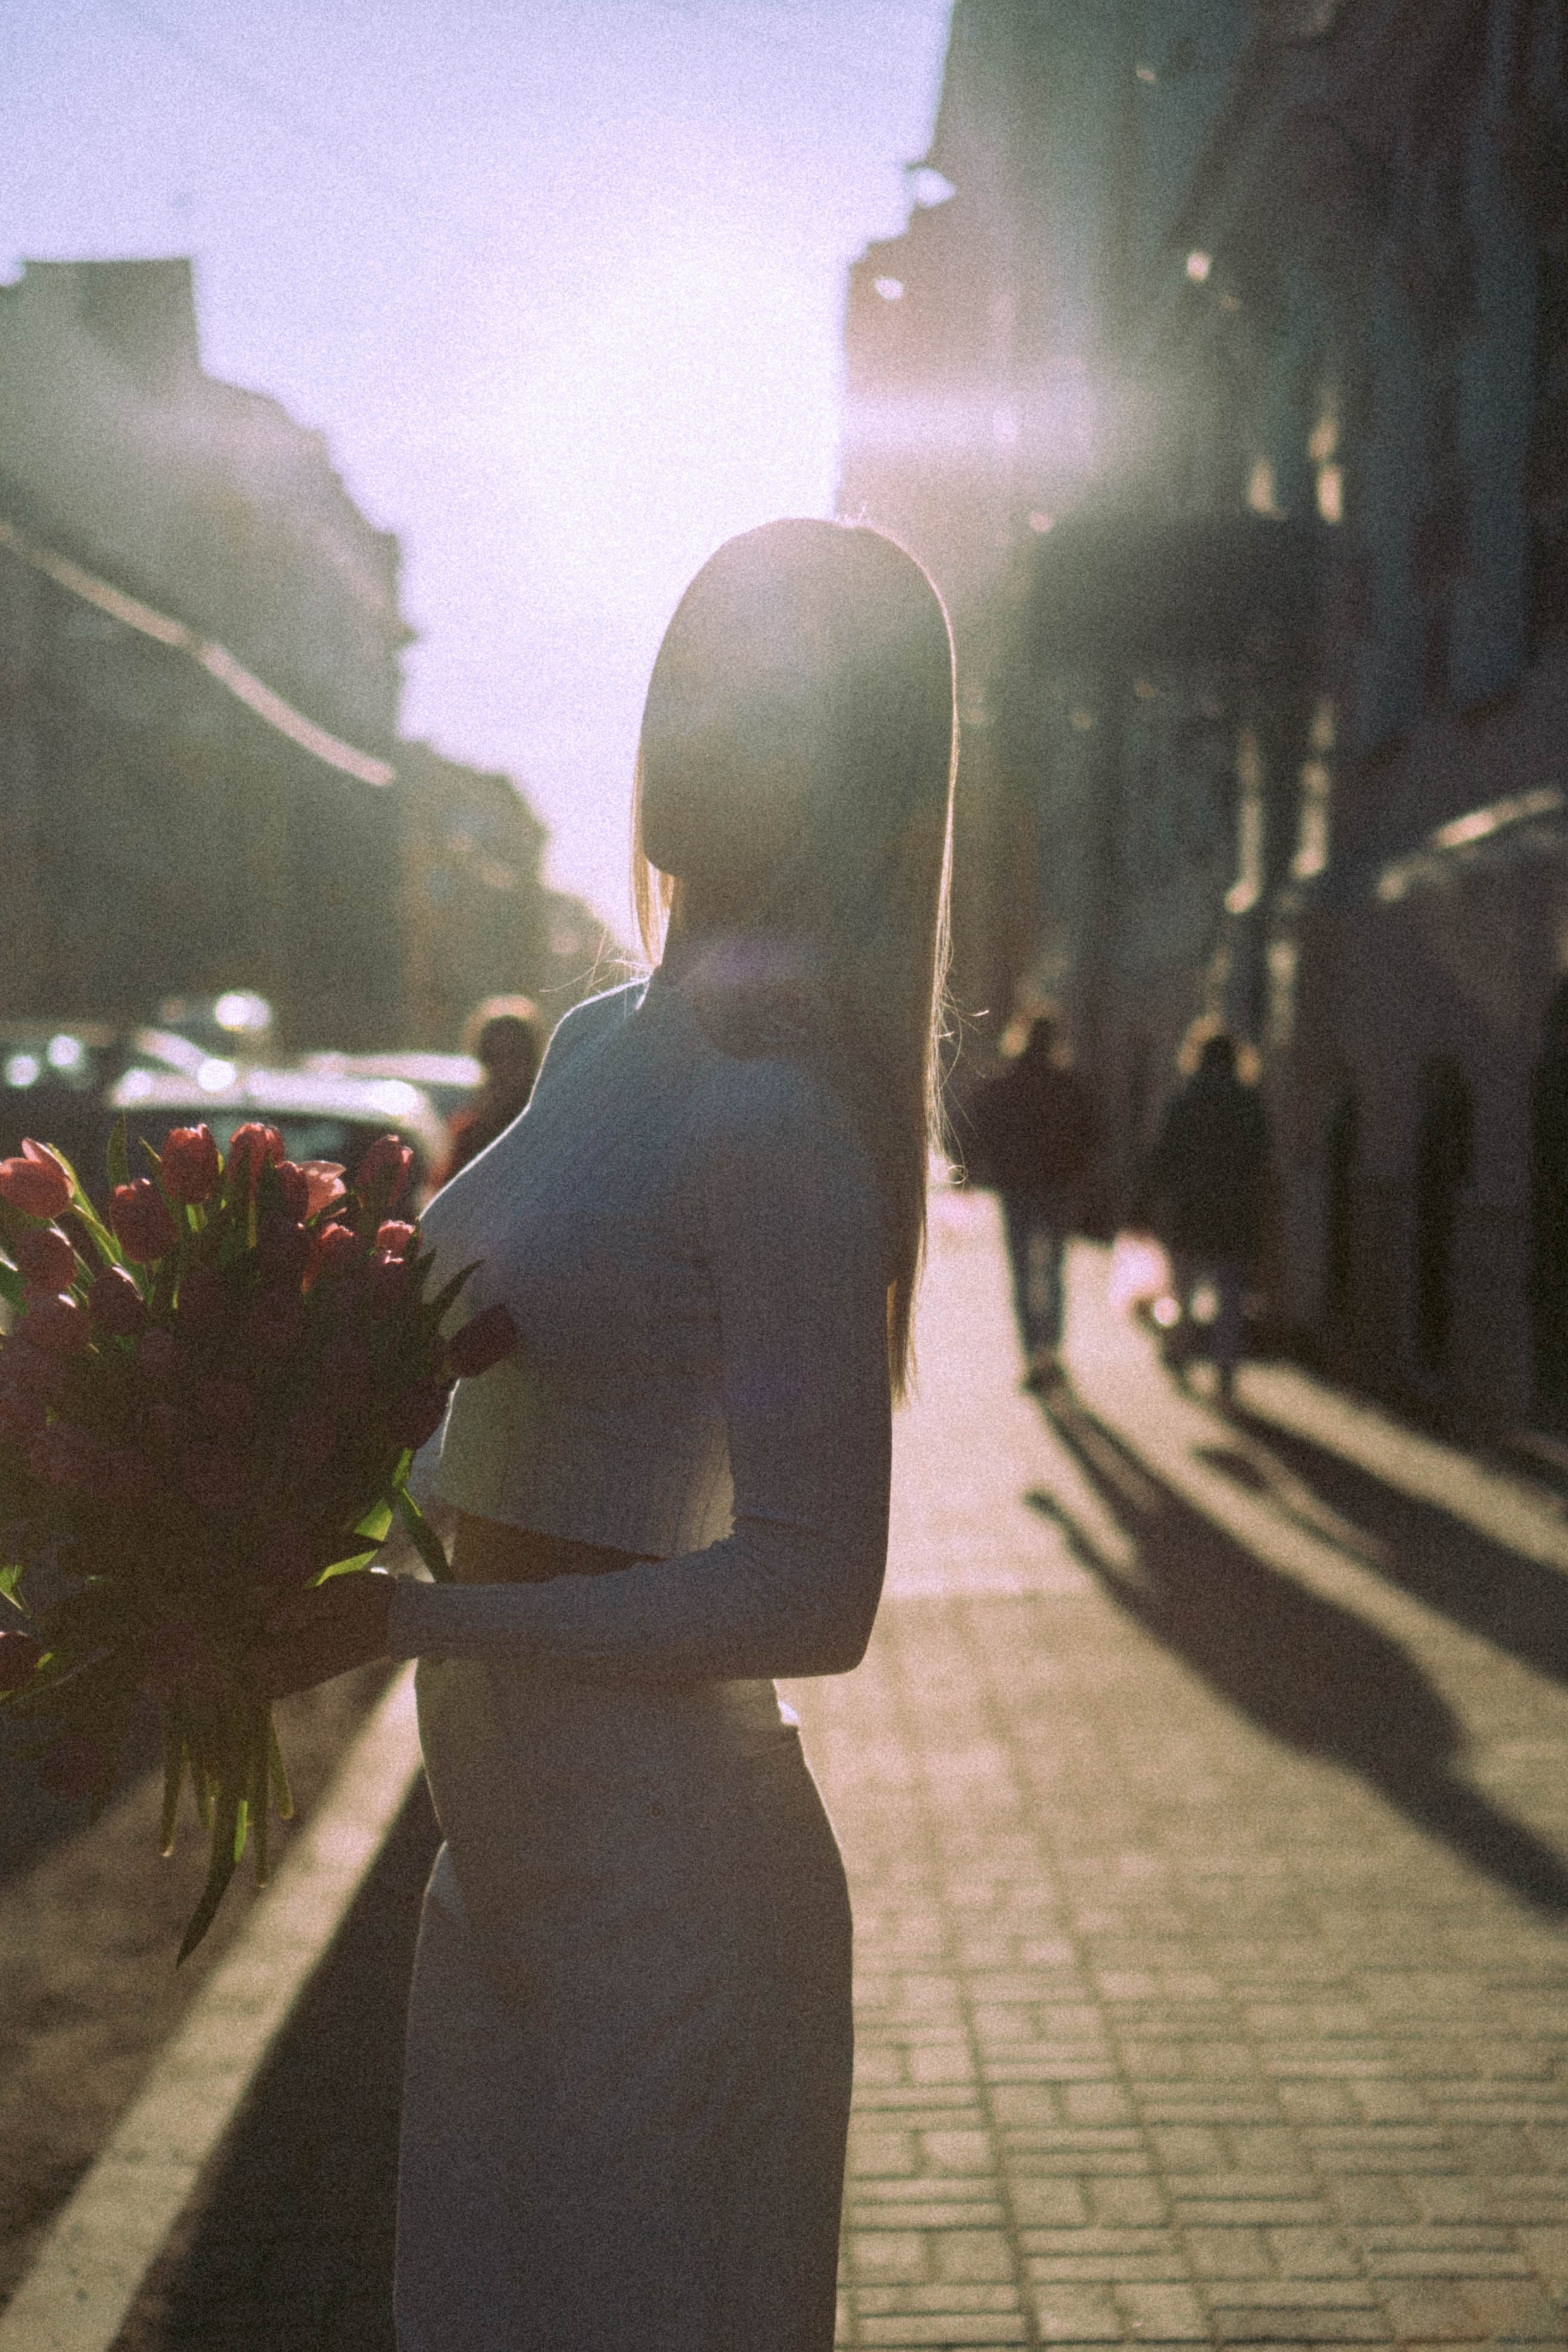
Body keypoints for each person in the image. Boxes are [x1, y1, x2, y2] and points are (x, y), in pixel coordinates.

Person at [251, 518, 957, 2352]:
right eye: (689, 670)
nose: (702, 722)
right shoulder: (594, 1041)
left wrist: (416, 1618)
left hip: (665, 1884)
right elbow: (480, 1421)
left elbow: (816, 1589)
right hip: (504, 1854)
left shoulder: (784, 1113)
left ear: (859, 765)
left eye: (770, 699)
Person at [963, 1011, 1100, 1390]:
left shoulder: (1005, 1083)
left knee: (1022, 1273)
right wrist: (1078, 1171)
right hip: (1057, 1187)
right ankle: (1050, 1352)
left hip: (1016, 1187)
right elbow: (1090, 1133)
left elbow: (975, 1123)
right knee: (1054, 1270)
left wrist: (974, 1169)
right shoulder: (1068, 1086)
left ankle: (1032, 1355)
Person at [1144, 1027, 1268, 1402]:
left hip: (1190, 1211)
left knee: (1184, 1290)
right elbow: (1260, 1161)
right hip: (1235, 1213)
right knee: (1230, 1298)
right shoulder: (1249, 1104)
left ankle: (1180, 1357)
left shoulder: (1185, 1100)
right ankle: (1225, 1373)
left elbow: (1164, 1155)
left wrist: (1152, 1202)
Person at [440, 997, 546, 1183]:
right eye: (494, 1056)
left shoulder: (550, 1125)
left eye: (515, 1055)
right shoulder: (470, 1132)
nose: (504, 1068)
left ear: (532, 1059)